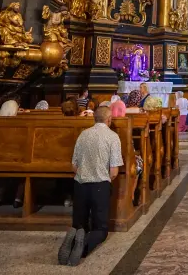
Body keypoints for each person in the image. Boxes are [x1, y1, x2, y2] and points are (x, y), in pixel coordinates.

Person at [58, 106, 124, 266]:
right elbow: (114, 171)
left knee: (79, 225)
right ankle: (82, 249)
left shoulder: (83, 135)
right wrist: (105, 180)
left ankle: (72, 242)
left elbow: (74, 165)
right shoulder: (112, 137)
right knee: (100, 229)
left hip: (80, 185)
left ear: (94, 118)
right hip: (99, 186)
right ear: (109, 120)